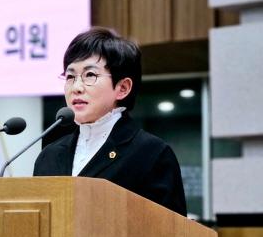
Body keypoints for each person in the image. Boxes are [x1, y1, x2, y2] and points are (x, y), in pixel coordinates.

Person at [33, 27, 187, 216]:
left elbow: (170, 235)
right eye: (71, 76)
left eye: (90, 75)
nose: (76, 87)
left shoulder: (151, 154)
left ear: (122, 88)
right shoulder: (50, 155)